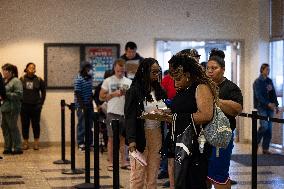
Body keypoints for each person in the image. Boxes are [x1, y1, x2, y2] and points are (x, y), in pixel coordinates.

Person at [166, 54, 218, 188]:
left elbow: (206, 115)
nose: (175, 82)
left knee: (193, 182)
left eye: (178, 78)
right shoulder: (184, 89)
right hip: (181, 143)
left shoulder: (201, 87)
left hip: (195, 146)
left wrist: (176, 118)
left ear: (187, 74)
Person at [125, 57, 167, 189]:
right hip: (140, 136)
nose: (157, 75)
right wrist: (131, 140)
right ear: (144, 71)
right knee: (138, 175)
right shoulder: (134, 91)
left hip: (157, 136)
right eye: (153, 72)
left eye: (158, 72)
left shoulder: (160, 91)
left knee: (152, 175)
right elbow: (130, 117)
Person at [206, 49, 243, 189]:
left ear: (223, 69)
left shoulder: (231, 88)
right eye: (208, 68)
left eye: (214, 68)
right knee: (205, 174)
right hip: (204, 136)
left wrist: (216, 101)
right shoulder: (203, 87)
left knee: (219, 175)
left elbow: (237, 109)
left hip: (222, 137)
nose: (210, 71)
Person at [99, 58, 132, 171]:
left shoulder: (128, 82)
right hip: (112, 113)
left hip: (125, 114)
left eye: (122, 71)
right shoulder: (108, 81)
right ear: (114, 69)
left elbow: (133, 99)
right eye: (118, 71)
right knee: (112, 139)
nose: (120, 73)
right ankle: (111, 162)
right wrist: (113, 94)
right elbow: (101, 97)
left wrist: (127, 95)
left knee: (123, 139)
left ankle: (123, 161)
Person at [253, 63, 279, 154]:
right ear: (262, 70)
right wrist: (268, 104)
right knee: (264, 126)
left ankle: (265, 148)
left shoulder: (269, 81)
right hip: (262, 107)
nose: (268, 71)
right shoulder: (257, 82)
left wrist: (276, 104)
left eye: (269, 69)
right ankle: (255, 144)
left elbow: (273, 94)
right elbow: (258, 96)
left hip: (270, 108)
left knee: (269, 129)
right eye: (267, 69)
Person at [20, 62, 46, 150]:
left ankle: (36, 143)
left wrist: (41, 104)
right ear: (26, 68)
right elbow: (19, 92)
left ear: (35, 69)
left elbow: (43, 92)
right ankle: (26, 143)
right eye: (30, 67)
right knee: (25, 125)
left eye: (33, 67)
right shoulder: (22, 79)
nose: (31, 68)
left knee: (36, 125)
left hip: (35, 107)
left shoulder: (39, 79)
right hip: (24, 106)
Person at [1, 63, 23, 155]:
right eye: (3, 70)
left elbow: (19, 94)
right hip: (4, 108)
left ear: (11, 72)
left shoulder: (16, 81)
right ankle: (7, 147)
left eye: (5, 70)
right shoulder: (3, 80)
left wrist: (6, 95)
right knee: (5, 128)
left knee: (12, 128)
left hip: (12, 108)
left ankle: (18, 148)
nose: (3, 72)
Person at [74, 61, 94, 151]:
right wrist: (82, 106)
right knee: (82, 124)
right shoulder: (78, 79)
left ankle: (89, 143)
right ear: (84, 69)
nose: (90, 70)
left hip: (89, 105)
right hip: (81, 106)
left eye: (90, 68)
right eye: (88, 68)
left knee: (90, 124)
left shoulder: (89, 78)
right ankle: (80, 143)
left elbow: (90, 92)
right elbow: (77, 93)